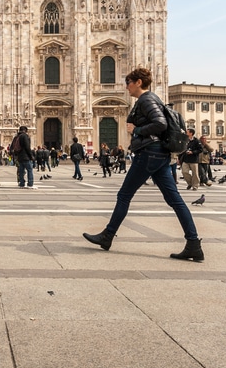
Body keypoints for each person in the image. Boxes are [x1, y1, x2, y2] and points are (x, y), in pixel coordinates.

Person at [82, 67, 203, 261]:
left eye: (128, 83)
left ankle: (108, 235)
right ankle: (193, 244)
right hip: (158, 155)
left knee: (124, 196)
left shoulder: (146, 99)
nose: (126, 87)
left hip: (149, 153)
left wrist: (137, 129)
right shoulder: (151, 99)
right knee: (175, 200)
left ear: (138, 82)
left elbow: (160, 123)